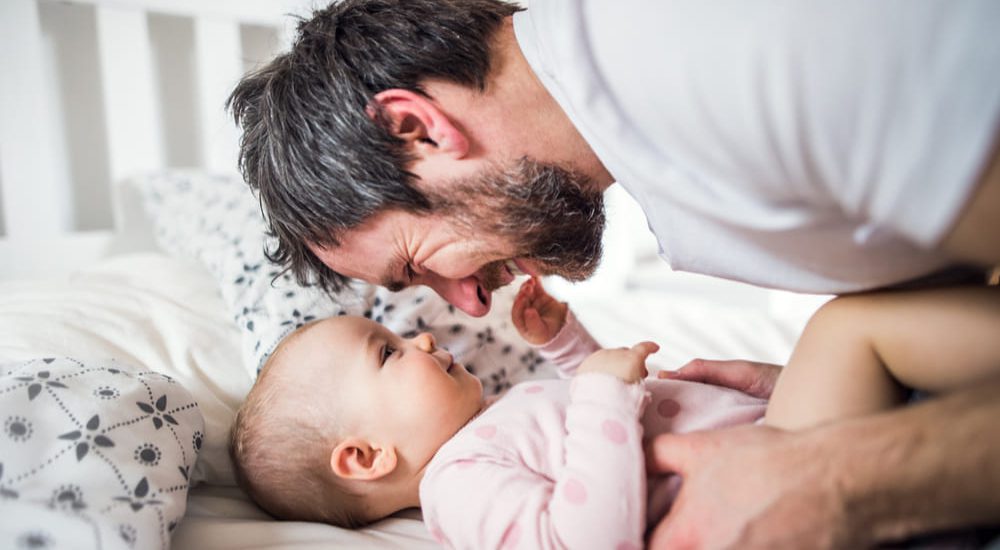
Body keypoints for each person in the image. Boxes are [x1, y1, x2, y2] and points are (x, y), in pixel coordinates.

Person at [227, 0, 1000, 545]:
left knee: (850, 328)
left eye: (415, 263)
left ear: (416, 128)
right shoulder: (462, 478)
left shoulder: (736, 63)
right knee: (853, 330)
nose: (462, 305)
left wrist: (842, 472)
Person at [230, 278, 768, 547]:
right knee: (845, 326)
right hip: (769, 478)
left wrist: (564, 346)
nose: (419, 338)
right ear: (367, 456)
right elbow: (584, 537)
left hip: (773, 430)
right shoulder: (459, 485)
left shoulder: (487, 420)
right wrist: (605, 393)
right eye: (388, 352)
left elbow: (582, 430)